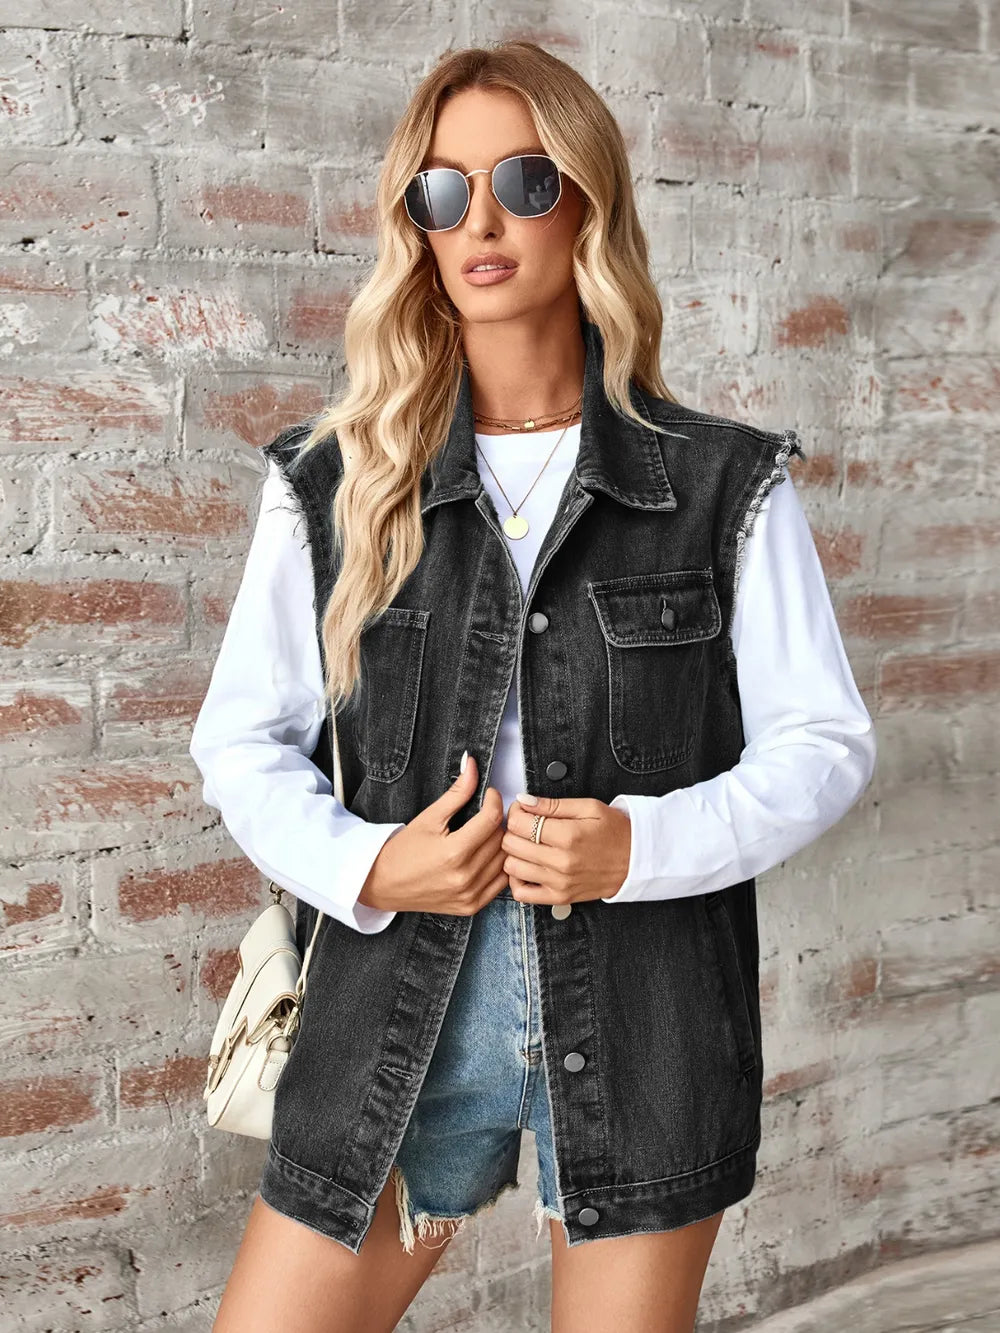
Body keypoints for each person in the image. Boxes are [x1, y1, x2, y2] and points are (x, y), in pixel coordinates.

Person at [190, 40, 876, 1333]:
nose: (481, 221)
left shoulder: (722, 485)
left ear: (588, 201)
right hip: (400, 1006)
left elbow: (824, 744)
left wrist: (640, 846)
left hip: (645, 1012)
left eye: (522, 180)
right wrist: (370, 863)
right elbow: (240, 741)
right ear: (416, 222)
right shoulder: (334, 483)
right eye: (443, 191)